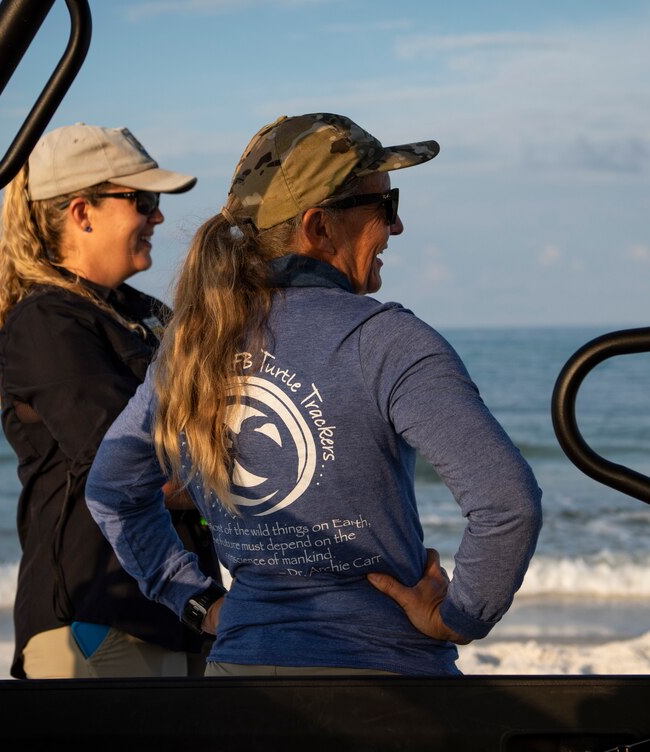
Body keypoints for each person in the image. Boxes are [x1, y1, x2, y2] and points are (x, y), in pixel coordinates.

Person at [86, 113, 542, 676]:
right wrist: (459, 616)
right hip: (389, 684)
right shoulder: (384, 339)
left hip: (243, 683)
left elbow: (112, 489)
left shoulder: (193, 345)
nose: (395, 228)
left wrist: (194, 600)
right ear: (319, 227)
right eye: (385, 205)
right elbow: (506, 502)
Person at [0, 123, 222, 679]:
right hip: (99, 626)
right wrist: (260, 481)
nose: (157, 217)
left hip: (170, 616)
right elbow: (132, 473)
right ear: (82, 213)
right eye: (142, 200)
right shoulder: (48, 322)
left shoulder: (136, 313)